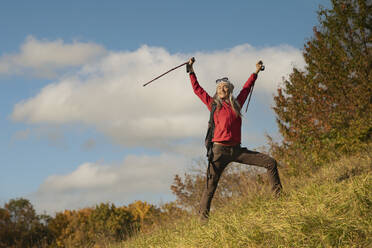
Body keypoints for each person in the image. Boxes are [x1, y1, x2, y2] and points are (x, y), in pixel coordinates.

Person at [187, 57, 283, 221]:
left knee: (270, 163)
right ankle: (202, 222)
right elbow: (197, 89)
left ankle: (280, 201)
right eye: (219, 88)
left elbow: (246, 88)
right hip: (218, 152)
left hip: (237, 150)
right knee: (210, 187)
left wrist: (256, 72)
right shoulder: (213, 105)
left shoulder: (236, 104)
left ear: (229, 90)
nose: (222, 89)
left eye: (225, 87)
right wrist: (191, 70)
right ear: (217, 92)